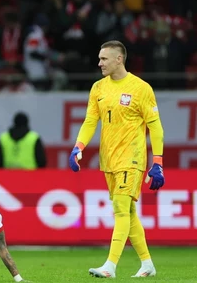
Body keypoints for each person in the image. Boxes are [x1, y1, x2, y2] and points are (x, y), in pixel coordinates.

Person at [69, 40, 164, 278]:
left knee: (121, 209)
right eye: (100, 58)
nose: (99, 62)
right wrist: (78, 146)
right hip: (108, 159)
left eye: (104, 59)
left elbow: (156, 128)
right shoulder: (98, 88)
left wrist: (158, 162)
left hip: (131, 157)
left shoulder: (141, 88)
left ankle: (110, 266)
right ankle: (147, 264)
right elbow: (90, 121)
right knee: (129, 211)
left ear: (118, 59)